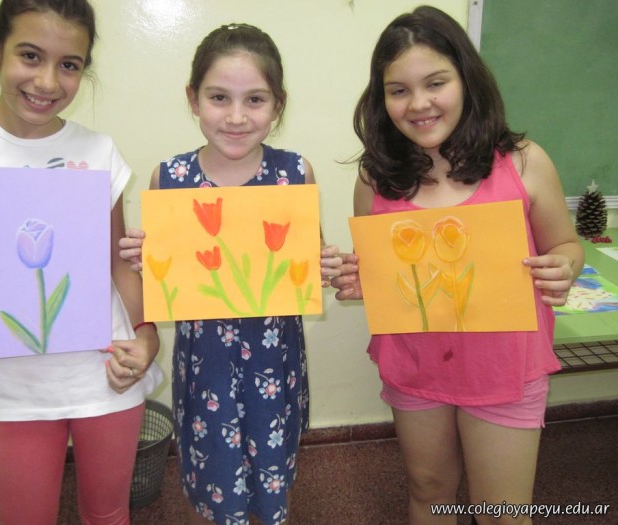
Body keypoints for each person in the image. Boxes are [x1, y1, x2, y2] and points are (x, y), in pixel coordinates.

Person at [330, 6, 583, 525]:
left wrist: (564, 265)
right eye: (398, 90)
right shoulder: (375, 178)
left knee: (502, 511)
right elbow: (383, 277)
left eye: (435, 83)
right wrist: (361, 281)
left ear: (466, 79)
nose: (418, 103)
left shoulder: (524, 162)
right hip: (415, 366)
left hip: (504, 367)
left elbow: (565, 244)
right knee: (429, 489)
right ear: (381, 99)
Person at [0, 1, 161, 523]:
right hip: (16, 386)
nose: (47, 81)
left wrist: (147, 335)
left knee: (108, 515)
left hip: (106, 373)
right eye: (30, 55)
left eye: (69, 64)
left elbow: (118, 263)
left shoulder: (98, 151)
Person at [119, 23, 342, 525]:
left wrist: (324, 264)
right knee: (213, 475)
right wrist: (144, 259)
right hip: (207, 366)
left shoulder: (294, 173)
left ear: (278, 104)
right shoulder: (169, 179)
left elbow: (310, 258)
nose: (237, 117)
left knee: (272, 472)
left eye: (255, 100)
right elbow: (162, 274)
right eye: (219, 97)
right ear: (193, 99)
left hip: (273, 360)